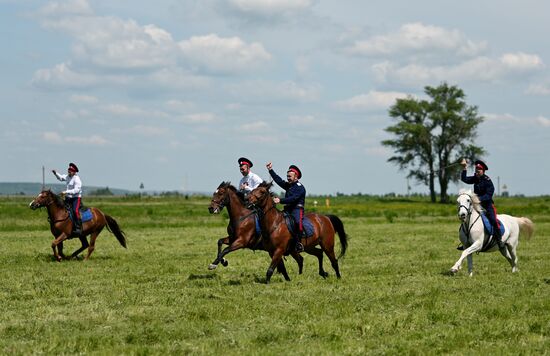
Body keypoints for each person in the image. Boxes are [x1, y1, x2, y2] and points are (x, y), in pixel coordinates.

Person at [459, 158, 504, 250]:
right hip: (476, 205)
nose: (477, 171)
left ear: (483, 171)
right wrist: (464, 168)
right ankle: (465, 241)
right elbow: (464, 179)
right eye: (476, 170)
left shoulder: (488, 181)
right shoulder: (476, 178)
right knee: (467, 217)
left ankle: (499, 240)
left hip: (487, 205)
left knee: (493, 219)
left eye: (479, 170)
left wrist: (479, 199)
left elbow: (489, 195)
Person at [266, 162, 305, 253]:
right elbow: (278, 180)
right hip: (288, 209)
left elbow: (293, 199)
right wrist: (270, 170)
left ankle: (298, 243)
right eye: (287, 176)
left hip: (297, 210)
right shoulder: (288, 185)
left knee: (297, 222)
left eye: (290, 176)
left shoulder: (300, 188)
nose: (288, 178)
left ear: (296, 177)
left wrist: (280, 200)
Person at [52, 162, 83, 237]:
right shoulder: (67, 176)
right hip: (68, 197)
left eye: (70, 171)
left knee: (75, 211)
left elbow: (76, 190)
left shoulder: (77, 179)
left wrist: (66, 192)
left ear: (74, 172)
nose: (69, 172)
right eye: (68, 171)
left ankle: (78, 228)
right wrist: (55, 173)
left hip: (76, 198)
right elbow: (61, 178)